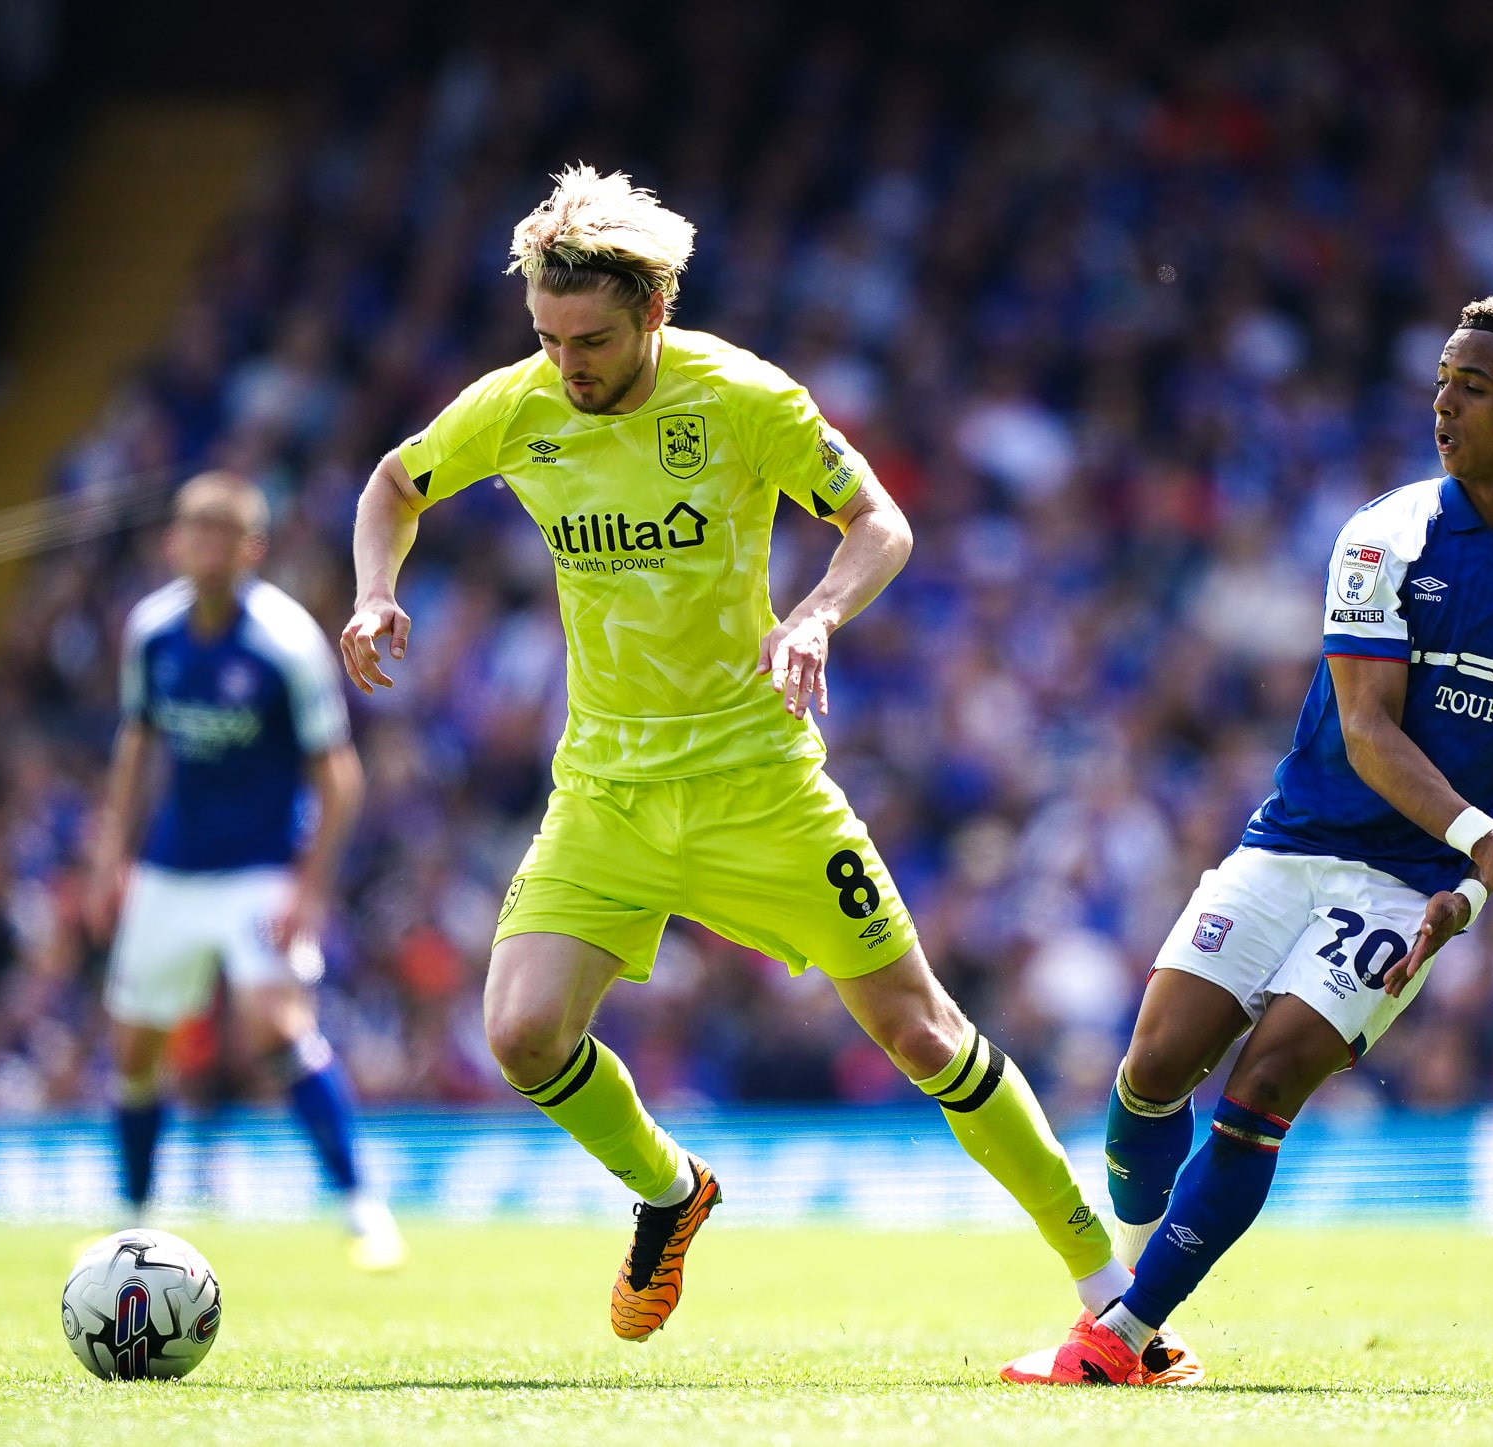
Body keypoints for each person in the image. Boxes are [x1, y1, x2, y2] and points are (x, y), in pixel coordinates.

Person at [340, 165, 1183, 1366]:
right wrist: (375, 591)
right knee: (522, 1033)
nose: (567, 365)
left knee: (922, 1034)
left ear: (653, 316)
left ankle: (1112, 1294)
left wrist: (819, 614)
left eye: (589, 339)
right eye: (545, 335)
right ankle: (669, 1189)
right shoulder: (516, 407)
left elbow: (878, 519)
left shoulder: (740, 399)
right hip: (607, 792)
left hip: (757, 782)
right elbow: (392, 483)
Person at [1002, 296, 1493, 1386]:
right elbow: (1366, 731)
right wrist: (1483, 845)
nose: (1442, 403)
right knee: (1151, 1072)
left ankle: (1121, 1336)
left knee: (1265, 1082)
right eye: (1439, 378)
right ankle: (1127, 1288)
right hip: (1289, 845)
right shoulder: (1385, 534)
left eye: (1471, 388)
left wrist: (1468, 896)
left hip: (1411, 885)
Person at [89, 471, 405, 1271]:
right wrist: (109, 855)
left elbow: (340, 775)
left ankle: (363, 1207)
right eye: (191, 526)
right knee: (134, 1049)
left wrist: (310, 885)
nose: (202, 541)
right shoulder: (151, 632)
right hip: (170, 864)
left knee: (275, 1025)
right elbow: (135, 746)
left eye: (220, 529)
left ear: (251, 548)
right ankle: (134, 1221)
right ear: (172, 540)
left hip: (261, 867)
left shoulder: (285, 640)